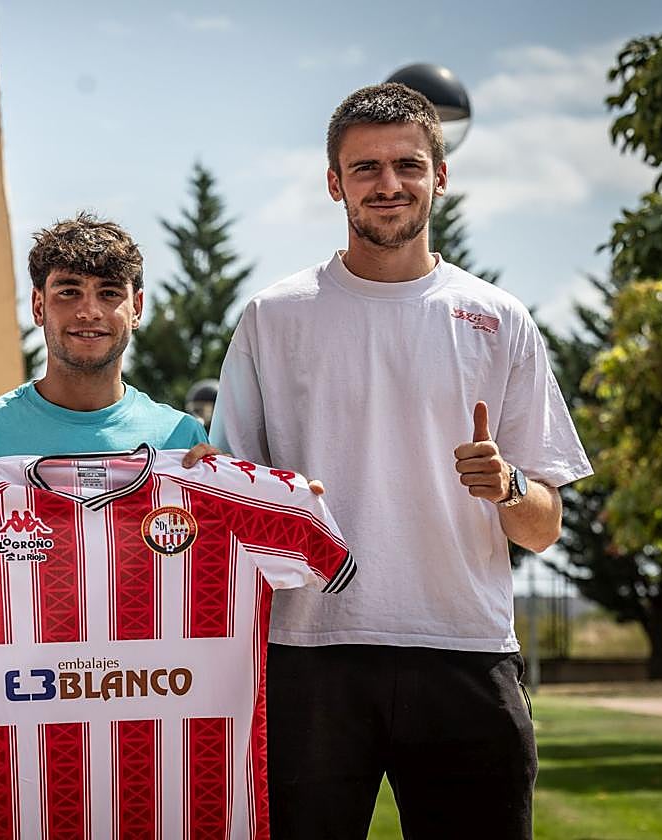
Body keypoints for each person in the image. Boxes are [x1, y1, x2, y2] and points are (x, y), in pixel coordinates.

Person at [210, 82, 591, 840]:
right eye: (366, 168)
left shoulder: (499, 319)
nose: (389, 185)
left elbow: (543, 527)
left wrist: (508, 484)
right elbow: (228, 501)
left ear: (440, 176)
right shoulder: (273, 317)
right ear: (334, 183)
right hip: (311, 652)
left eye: (408, 165)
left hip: (466, 649)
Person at [0, 212, 212, 476]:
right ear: (38, 306)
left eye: (109, 293)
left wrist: (223, 483)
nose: (89, 311)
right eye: (69, 292)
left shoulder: (182, 440)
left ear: (136, 308)